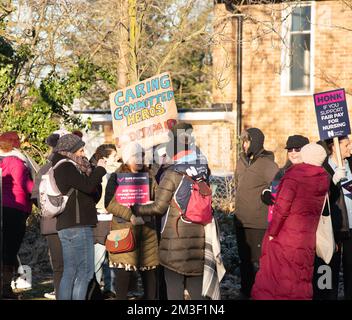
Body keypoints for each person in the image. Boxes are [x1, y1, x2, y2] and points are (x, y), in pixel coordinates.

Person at [131, 123, 210, 300]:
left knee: (173, 284)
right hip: (198, 233)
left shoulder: (172, 173)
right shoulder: (202, 169)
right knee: (196, 285)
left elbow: (159, 207)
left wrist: (137, 208)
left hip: (174, 236)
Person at [251, 143, 330, 300]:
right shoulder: (323, 178)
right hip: (307, 238)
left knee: (276, 280)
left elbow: (281, 209)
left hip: (285, 236)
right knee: (300, 278)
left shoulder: (294, 176)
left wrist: (272, 233)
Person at [51, 133, 106, 300]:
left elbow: (89, 192)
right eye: (80, 150)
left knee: (70, 271)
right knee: (85, 272)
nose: (83, 154)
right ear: (70, 150)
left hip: (66, 225)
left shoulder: (59, 165)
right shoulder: (66, 167)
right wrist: (101, 170)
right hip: (78, 224)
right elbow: (88, 187)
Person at [104, 141, 159, 300]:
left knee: (150, 277)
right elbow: (109, 203)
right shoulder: (116, 177)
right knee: (123, 278)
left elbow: (158, 200)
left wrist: (150, 208)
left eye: (142, 155)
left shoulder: (150, 177)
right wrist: (131, 216)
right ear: (127, 158)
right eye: (136, 156)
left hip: (147, 233)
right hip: (124, 233)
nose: (140, 159)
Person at [234, 128, 279, 299]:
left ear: (256, 142)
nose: (244, 145)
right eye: (243, 142)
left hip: (258, 224)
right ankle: (246, 292)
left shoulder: (268, 164)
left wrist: (268, 192)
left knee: (259, 263)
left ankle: (262, 294)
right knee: (244, 262)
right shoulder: (240, 161)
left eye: (247, 141)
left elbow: (278, 186)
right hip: (240, 221)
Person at [31, 129, 69, 300]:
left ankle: (61, 293)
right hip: (68, 222)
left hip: (50, 222)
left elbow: (34, 197)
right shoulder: (70, 166)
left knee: (59, 265)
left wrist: (47, 208)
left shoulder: (44, 168)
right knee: (71, 264)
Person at [313, 136, 352, 300]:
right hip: (331, 228)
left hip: (351, 227)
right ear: (334, 147)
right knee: (327, 269)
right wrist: (331, 181)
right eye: (347, 144)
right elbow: (316, 196)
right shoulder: (322, 168)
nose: (350, 147)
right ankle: (326, 296)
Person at [0, 132, 34, 299]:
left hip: (3, 207)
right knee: (10, 249)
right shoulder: (16, 161)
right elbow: (25, 185)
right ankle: (5, 288)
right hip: (15, 208)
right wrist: (40, 192)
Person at [89, 144, 120, 299]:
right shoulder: (99, 172)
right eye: (114, 156)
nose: (117, 158)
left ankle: (110, 289)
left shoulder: (118, 171)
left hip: (113, 218)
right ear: (105, 158)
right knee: (99, 256)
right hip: (101, 217)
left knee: (112, 255)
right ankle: (95, 288)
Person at [262, 135, 309, 223]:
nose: (293, 153)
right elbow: (272, 187)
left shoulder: (312, 171)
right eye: (290, 150)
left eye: (297, 149)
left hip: (302, 224)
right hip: (281, 223)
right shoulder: (282, 172)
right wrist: (266, 192)